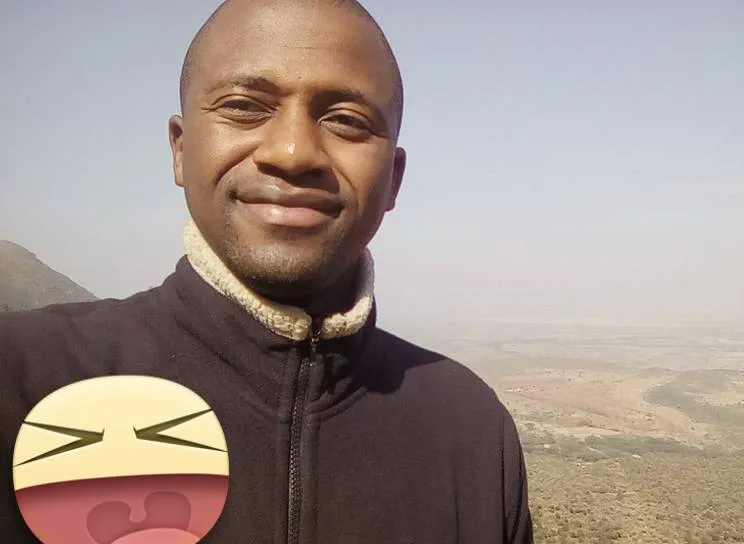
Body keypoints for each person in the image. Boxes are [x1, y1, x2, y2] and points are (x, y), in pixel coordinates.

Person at [0, 0, 534, 542]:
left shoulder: (468, 431)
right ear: (181, 151)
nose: (293, 152)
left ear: (393, 179)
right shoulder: (24, 380)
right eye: (244, 107)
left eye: (346, 120)